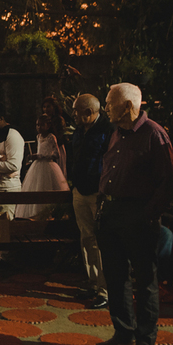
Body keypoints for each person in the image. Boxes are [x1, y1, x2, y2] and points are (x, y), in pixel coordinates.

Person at [93, 83, 173, 345]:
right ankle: (123, 334)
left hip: (138, 213)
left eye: (110, 102)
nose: (106, 107)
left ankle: (145, 340)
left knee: (144, 280)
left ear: (129, 105)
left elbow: (168, 184)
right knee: (115, 278)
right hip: (111, 212)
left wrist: (147, 215)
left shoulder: (154, 135)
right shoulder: (117, 133)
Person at [68, 94, 114, 309]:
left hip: (98, 192)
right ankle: (93, 282)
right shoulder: (80, 130)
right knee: (86, 238)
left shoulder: (107, 130)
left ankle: (105, 289)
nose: (73, 114)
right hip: (80, 189)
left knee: (102, 240)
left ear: (88, 112)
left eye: (76, 110)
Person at [17, 112, 69, 221]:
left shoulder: (51, 137)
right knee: (35, 187)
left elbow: (56, 154)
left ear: (48, 125)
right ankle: (36, 215)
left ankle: (50, 215)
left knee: (47, 187)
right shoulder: (38, 137)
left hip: (48, 165)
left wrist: (41, 156)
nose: (39, 127)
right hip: (37, 166)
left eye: (41, 125)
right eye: (37, 125)